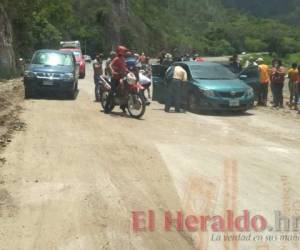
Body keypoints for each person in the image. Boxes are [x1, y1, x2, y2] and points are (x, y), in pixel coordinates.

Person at [105, 45, 129, 113]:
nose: (125, 52)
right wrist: (112, 71)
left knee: (125, 90)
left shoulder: (123, 59)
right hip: (115, 78)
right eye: (124, 51)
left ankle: (123, 106)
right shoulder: (116, 58)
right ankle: (106, 107)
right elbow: (110, 65)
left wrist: (128, 71)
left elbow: (124, 67)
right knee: (112, 91)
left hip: (122, 77)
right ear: (120, 52)